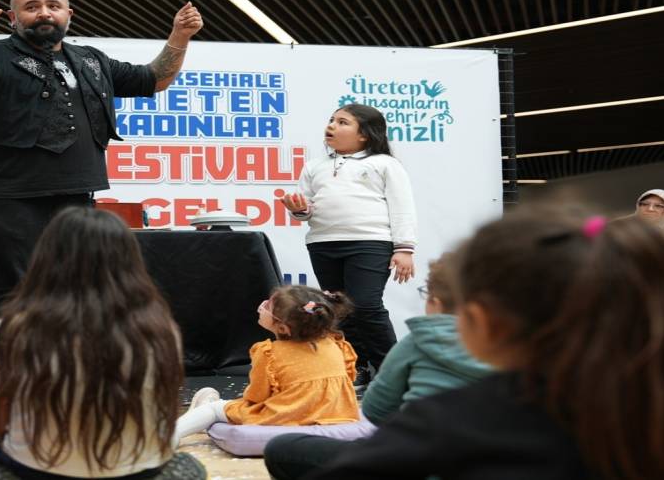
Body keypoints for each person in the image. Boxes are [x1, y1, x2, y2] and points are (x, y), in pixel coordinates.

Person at [264, 209, 664, 480]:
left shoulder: (454, 417)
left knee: (287, 450)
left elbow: (373, 421)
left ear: (480, 322)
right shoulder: (640, 400)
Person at [0, 0, 203, 358]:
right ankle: (12, 379)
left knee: (73, 290)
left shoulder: (91, 59)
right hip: (7, 198)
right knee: (13, 293)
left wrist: (180, 36)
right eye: (31, 7)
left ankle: (65, 374)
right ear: (13, 17)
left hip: (76, 194)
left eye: (53, 5)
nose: (44, 12)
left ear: (68, 14)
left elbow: (154, 79)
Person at [0, 207, 205, 479]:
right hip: (137, 472)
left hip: (36, 471)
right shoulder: (162, 330)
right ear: (131, 263)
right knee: (189, 467)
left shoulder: (6, 331)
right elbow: (164, 416)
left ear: (46, 260)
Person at [279, 103, 417, 387]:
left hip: (370, 242)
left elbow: (402, 207)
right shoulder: (314, 166)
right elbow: (306, 209)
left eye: (343, 122)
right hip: (323, 243)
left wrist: (404, 248)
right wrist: (299, 209)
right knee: (339, 309)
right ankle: (357, 367)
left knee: (366, 305)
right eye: (332, 120)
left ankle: (394, 373)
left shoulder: (384, 164)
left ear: (364, 134)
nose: (332, 125)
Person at [174, 285, 359, 440]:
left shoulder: (270, 352)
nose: (262, 307)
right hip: (335, 412)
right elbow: (348, 378)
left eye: (268, 306)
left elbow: (256, 396)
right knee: (227, 405)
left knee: (214, 409)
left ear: (283, 328)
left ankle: (169, 438)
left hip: (288, 416)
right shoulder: (337, 344)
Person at [360, 251, 493, 425]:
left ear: (436, 303)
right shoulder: (516, 350)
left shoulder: (417, 341)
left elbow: (374, 408)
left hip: (418, 436)